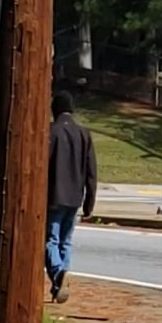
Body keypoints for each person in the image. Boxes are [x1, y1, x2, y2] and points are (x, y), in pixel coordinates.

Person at [46, 90, 98, 304]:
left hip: (54, 197)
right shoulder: (84, 134)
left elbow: (43, 166)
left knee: (51, 239)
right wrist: (89, 202)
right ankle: (59, 284)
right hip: (76, 198)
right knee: (66, 241)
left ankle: (59, 274)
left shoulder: (51, 132)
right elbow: (91, 172)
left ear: (54, 109)